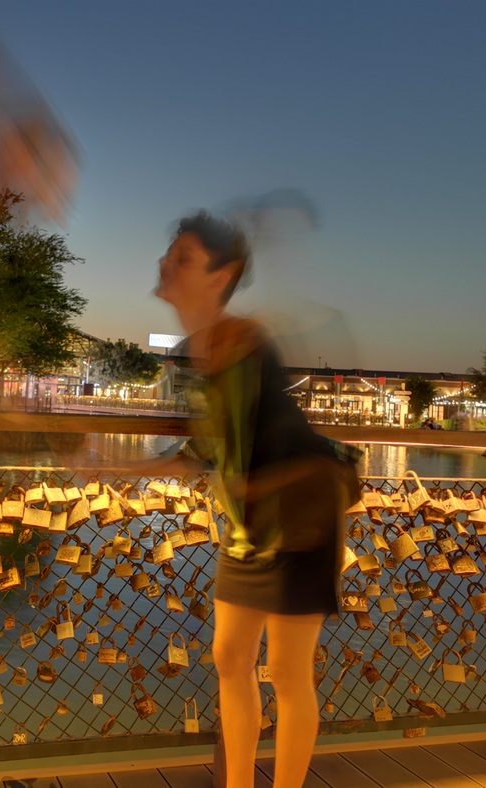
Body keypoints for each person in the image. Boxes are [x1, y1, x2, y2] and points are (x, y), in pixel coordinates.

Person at [152, 211, 360, 788]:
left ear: (223, 275)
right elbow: (211, 446)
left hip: (298, 523)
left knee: (289, 674)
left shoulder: (241, 340)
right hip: (248, 528)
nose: (167, 264)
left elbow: (235, 451)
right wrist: (132, 463)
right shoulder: (197, 349)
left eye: (184, 258)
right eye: (170, 254)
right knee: (229, 658)